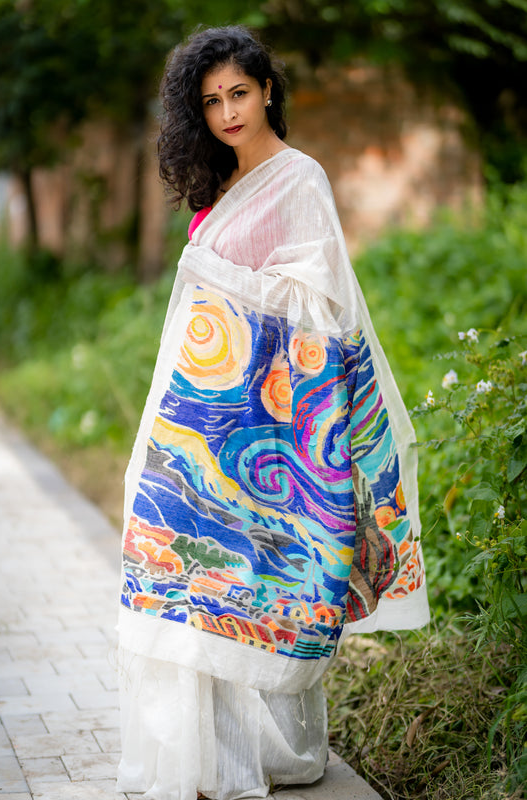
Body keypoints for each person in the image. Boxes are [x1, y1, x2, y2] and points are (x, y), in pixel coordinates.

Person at [117, 25, 430, 800]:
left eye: (239, 94)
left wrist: (215, 269)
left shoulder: (299, 179)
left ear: (267, 92)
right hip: (196, 417)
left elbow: (316, 305)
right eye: (211, 101)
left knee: (248, 574)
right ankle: (196, 757)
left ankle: (258, 753)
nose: (227, 112)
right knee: (178, 566)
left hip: (265, 427)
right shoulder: (217, 184)